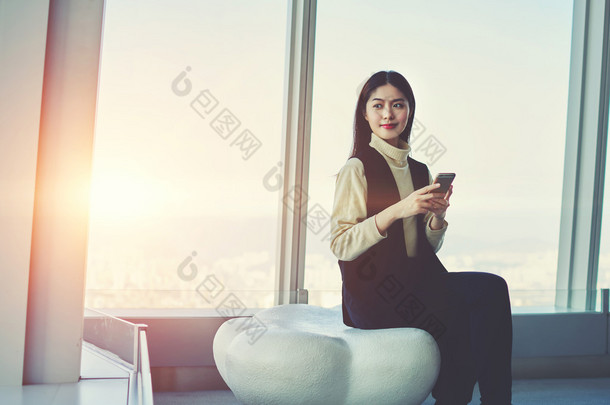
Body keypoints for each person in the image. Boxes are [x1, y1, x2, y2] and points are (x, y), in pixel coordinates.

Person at [330, 70, 513, 405]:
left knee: (488, 293)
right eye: (379, 105)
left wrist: (437, 218)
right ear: (365, 112)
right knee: (470, 309)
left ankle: (482, 398)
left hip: (415, 282)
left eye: (398, 105)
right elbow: (341, 244)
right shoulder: (356, 169)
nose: (388, 114)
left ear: (409, 111)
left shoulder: (419, 170)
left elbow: (421, 250)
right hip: (374, 293)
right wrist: (397, 210)